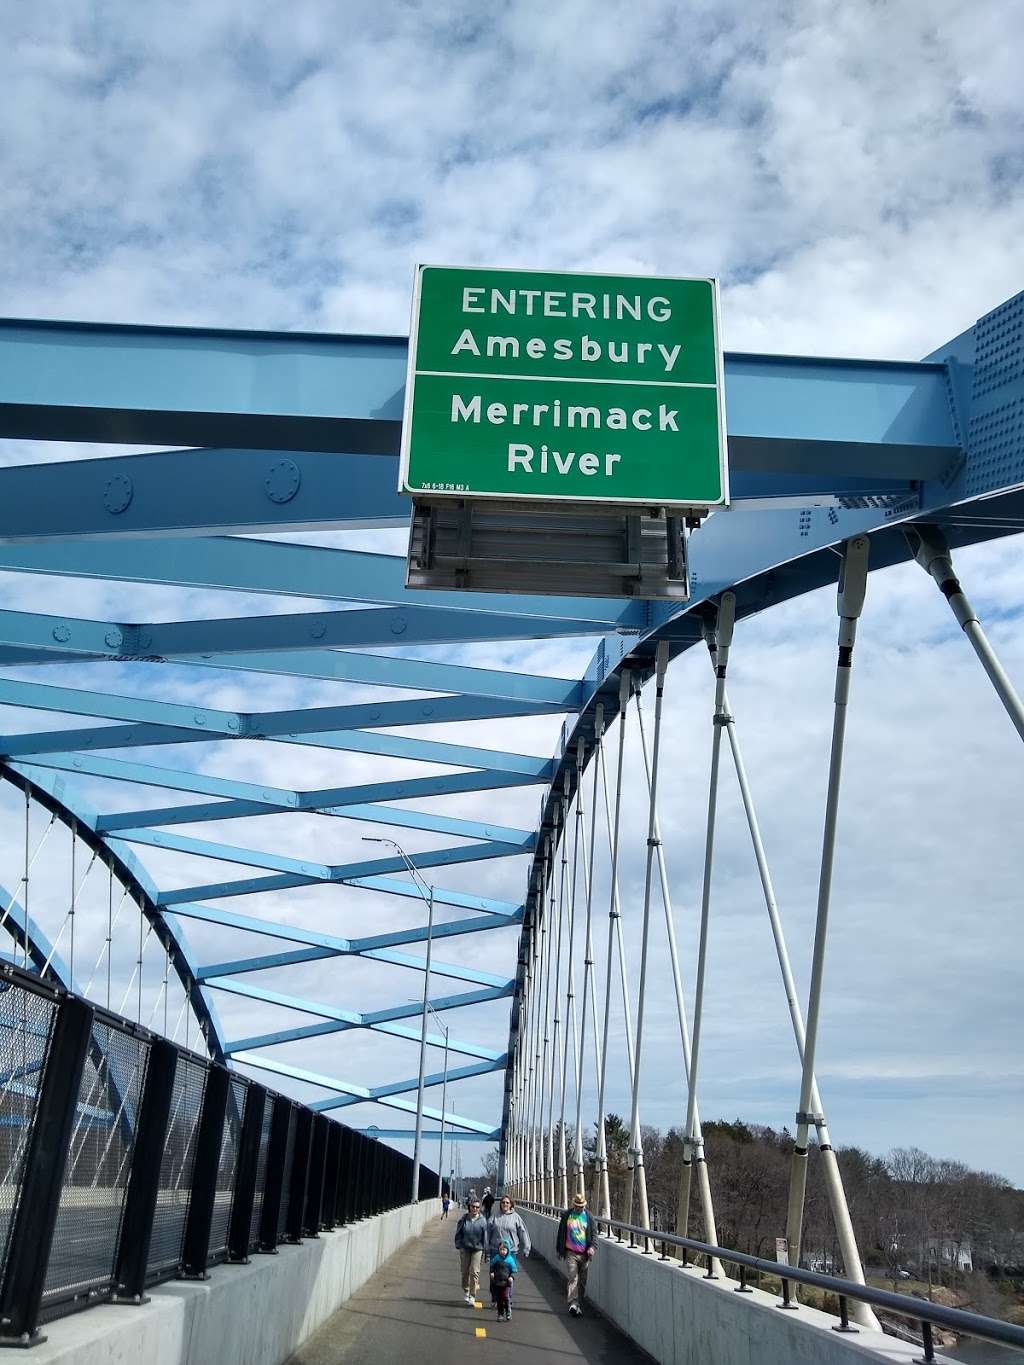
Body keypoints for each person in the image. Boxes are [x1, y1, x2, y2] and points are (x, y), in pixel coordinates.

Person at [556, 1192, 595, 1317]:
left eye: (582, 1206)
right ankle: (573, 1302)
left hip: (584, 1253)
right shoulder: (567, 1215)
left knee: (582, 1281)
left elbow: (594, 1235)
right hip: (571, 1252)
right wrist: (559, 1250)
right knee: (573, 1277)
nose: (580, 1208)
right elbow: (561, 1232)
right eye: (578, 1206)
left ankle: (578, 1304)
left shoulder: (589, 1217)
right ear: (574, 1205)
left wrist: (593, 1247)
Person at [453, 1196, 489, 1303]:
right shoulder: (464, 1219)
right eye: (473, 1207)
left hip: (478, 1249)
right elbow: (458, 1232)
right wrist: (458, 1244)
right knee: (464, 1271)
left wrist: (487, 1253)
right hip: (465, 1248)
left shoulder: (483, 1221)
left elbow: (485, 1238)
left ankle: (472, 1295)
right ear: (470, 1207)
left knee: (474, 1272)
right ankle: (466, 1289)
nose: (475, 1209)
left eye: (477, 1207)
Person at [487, 1194, 532, 1260]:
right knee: (496, 1270)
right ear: (500, 1204)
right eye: (503, 1202)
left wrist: (526, 1248)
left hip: (511, 1251)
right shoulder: (494, 1216)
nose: (505, 1204)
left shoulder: (516, 1217)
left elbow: (523, 1232)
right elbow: (487, 1232)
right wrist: (486, 1249)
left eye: (507, 1202)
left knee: (511, 1269)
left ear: (511, 1204)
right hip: (495, 1250)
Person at [489, 1238, 518, 1322]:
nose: (502, 1251)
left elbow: (514, 1270)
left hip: (506, 1283)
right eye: (501, 1249)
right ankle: (500, 1314)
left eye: (504, 1250)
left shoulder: (510, 1260)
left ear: (508, 1250)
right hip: (498, 1282)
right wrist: (492, 1273)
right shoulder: (497, 1258)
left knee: (506, 1297)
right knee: (499, 1299)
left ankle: (508, 1312)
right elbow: (492, 1266)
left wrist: (511, 1277)